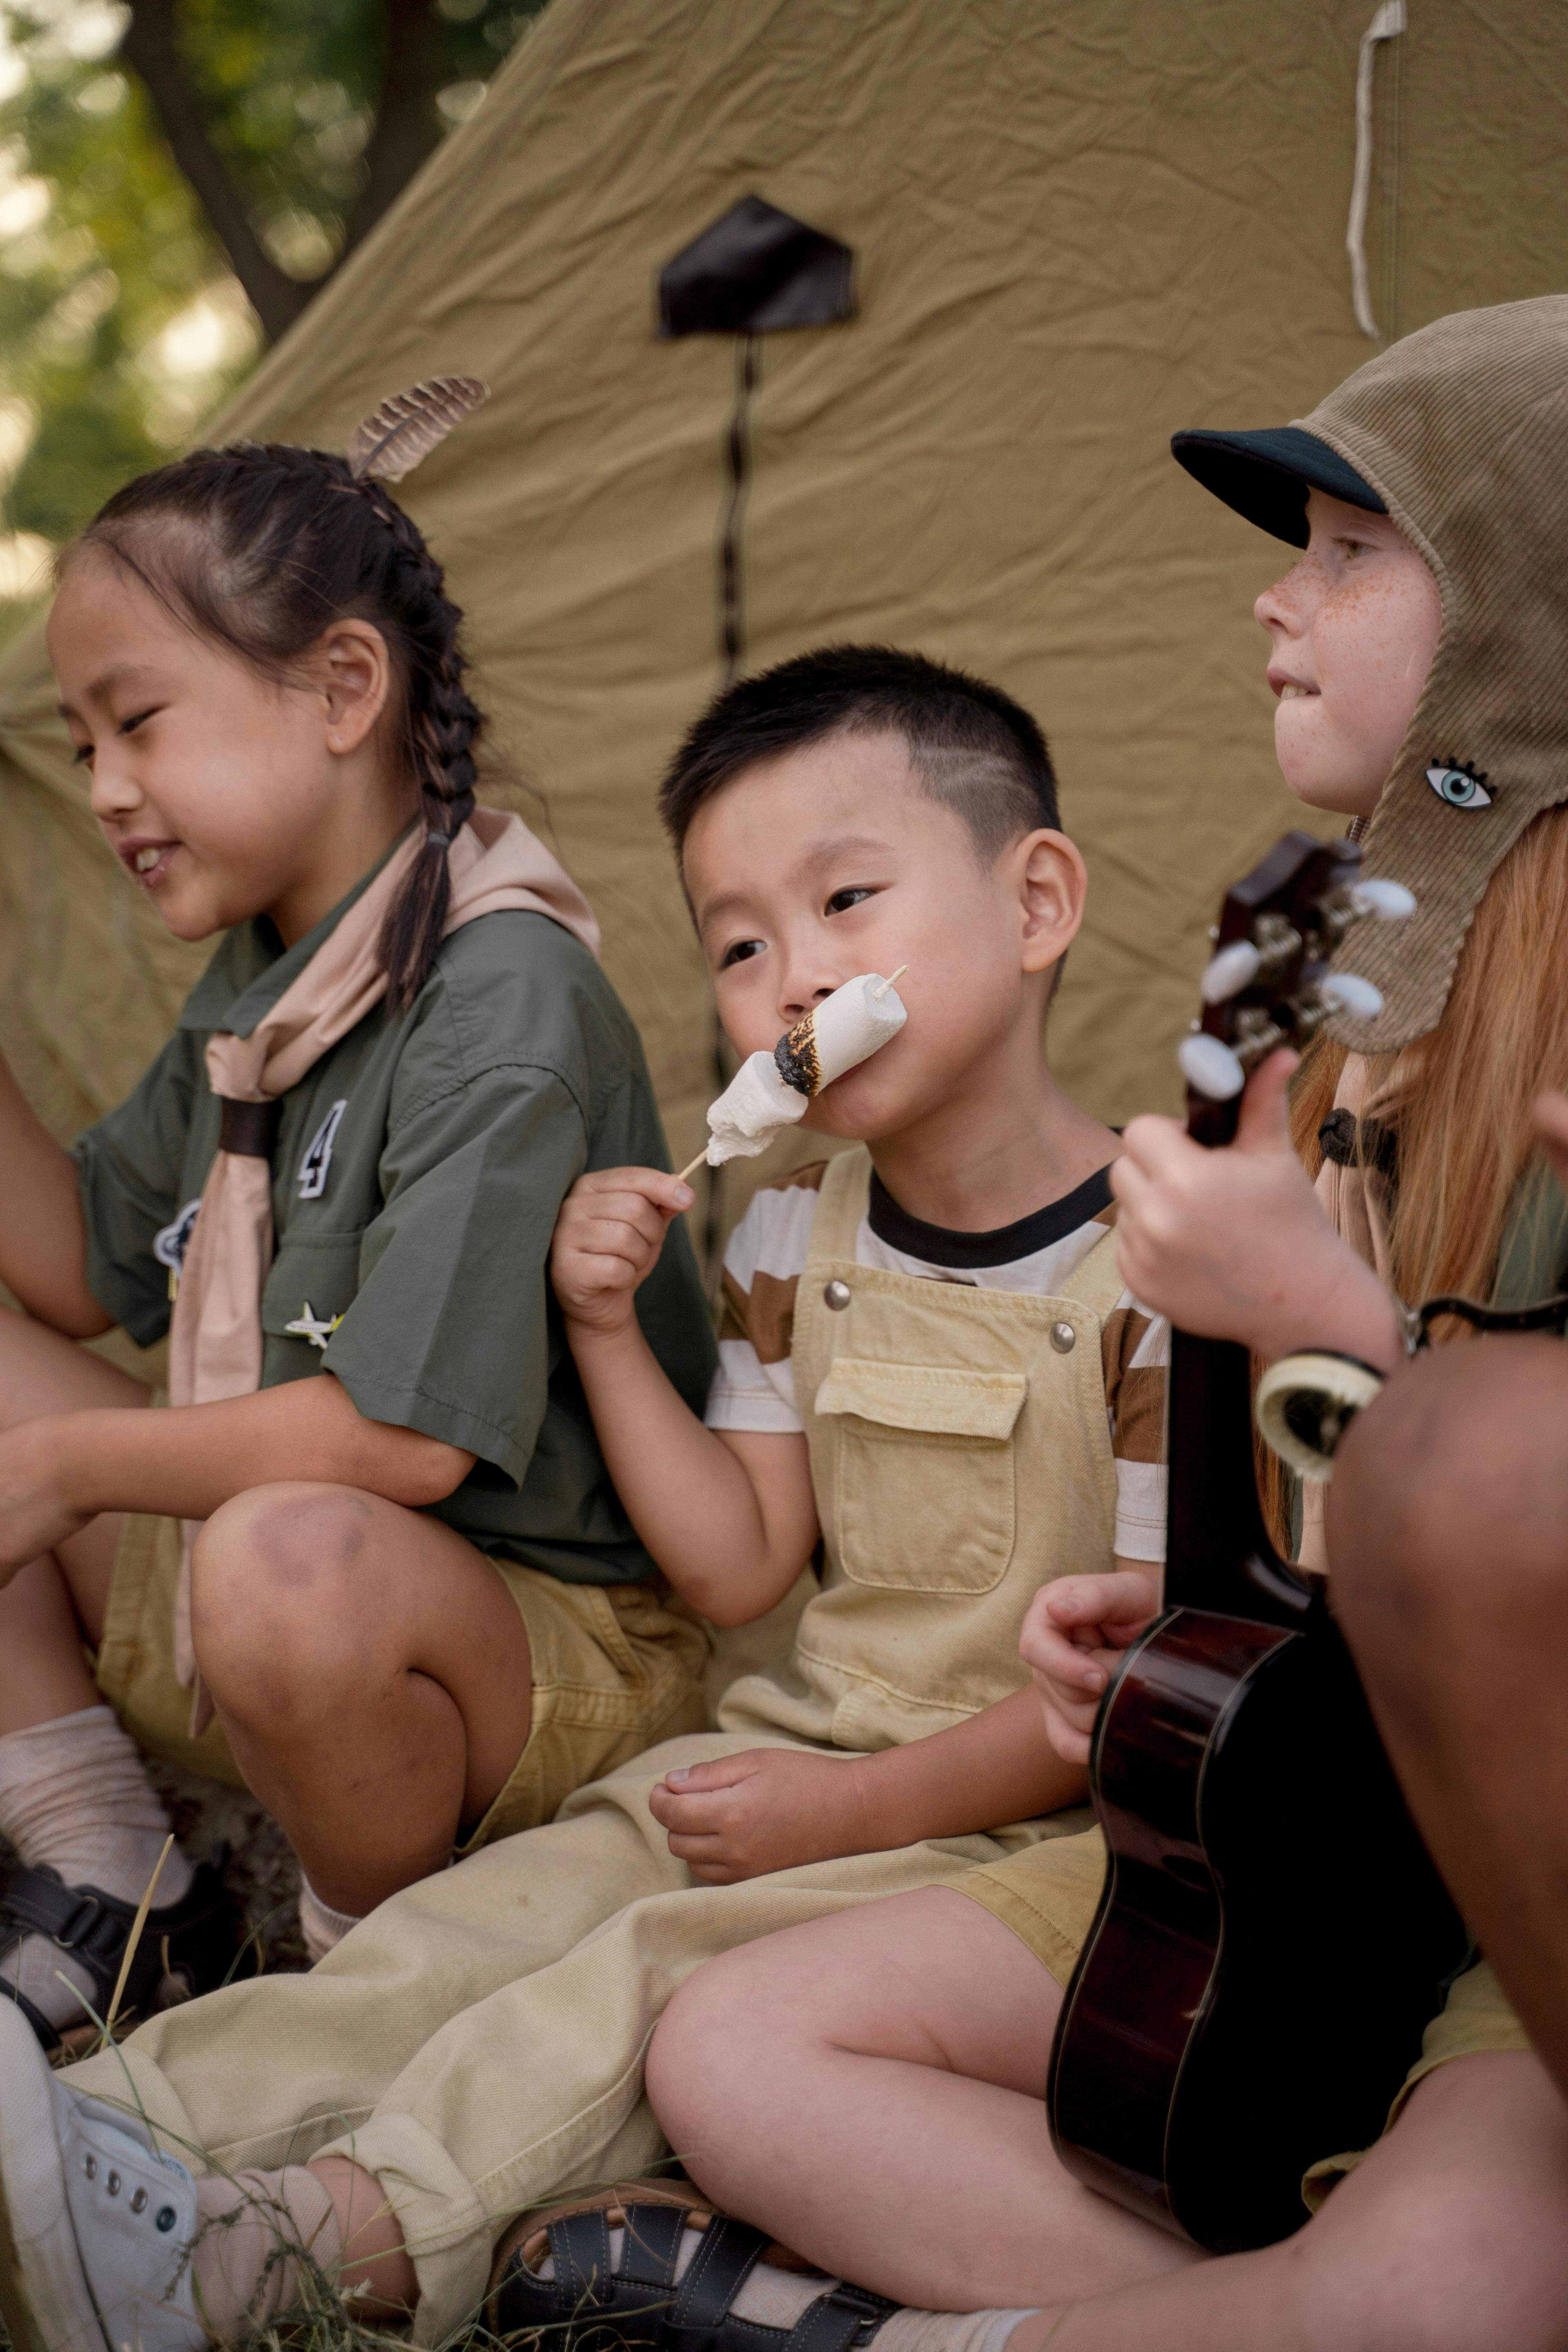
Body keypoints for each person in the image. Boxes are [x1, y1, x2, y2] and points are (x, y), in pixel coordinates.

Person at [0, 643, 1169, 2352]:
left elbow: (1127, 1704)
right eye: (741, 944)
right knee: (484, 1928)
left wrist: (838, 1819)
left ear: (1039, 900)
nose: (793, 978)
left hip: (1017, 1839)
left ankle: (302, 2246)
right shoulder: (790, 1237)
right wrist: (610, 1333)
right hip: (791, 1752)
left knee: (623, 1987)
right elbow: (738, 1561)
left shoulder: (1161, 1262)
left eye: (847, 902)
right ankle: (108, 2143)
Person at [607, 296, 1568, 2352]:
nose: (1269, 601)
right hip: (1344, 1869)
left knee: (1456, 2296)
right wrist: (1215, 1614)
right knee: (737, 2044)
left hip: (1525, 1924)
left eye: (1347, 549)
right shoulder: (1343, 1021)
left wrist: (1326, 1316)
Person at [0, 425, 717, 2051]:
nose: (105, 786)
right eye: (79, 740)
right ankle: (120, 1879)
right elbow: (82, 1269)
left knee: (285, 1549)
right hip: (320, 1570)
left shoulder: (499, 999)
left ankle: (369, 1988)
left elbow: (393, 1448)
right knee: (237, 1521)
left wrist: (62, 1475)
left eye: (138, 724)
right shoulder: (271, 973)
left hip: (538, 1639)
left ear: (341, 690)